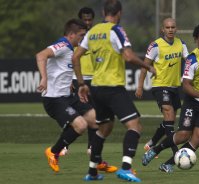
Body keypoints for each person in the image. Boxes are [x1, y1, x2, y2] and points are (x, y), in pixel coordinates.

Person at [72, 0, 156, 182]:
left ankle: (92, 172)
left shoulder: (92, 32)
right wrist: (147, 66)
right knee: (135, 126)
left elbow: (76, 56)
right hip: (113, 87)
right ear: (119, 13)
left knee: (104, 129)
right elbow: (128, 56)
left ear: (103, 12)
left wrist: (81, 84)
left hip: (96, 88)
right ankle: (126, 167)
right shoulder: (116, 30)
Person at [142, 23, 199, 171]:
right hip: (193, 102)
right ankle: (155, 149)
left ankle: (168, 164)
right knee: (184, 134)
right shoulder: (192, 59)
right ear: (196, 40)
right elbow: (186, 85)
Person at [36, 19, 104, 180]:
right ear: (71, 34)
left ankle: (96, 163)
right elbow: (41, 55)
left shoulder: (70, 49)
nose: (82, 39)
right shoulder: (63, 45)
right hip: (54, 99)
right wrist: (44, 78)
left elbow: (61, 69)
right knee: (80, 125)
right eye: (81, 35)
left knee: (95, 119)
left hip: (67, 96)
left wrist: (70, 84)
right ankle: (53, 152)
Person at [61, 7, 118, 174]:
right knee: (77, 115)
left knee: (95, 115)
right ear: (79, 20)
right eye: (84, 20)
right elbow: (67, 57)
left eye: (89, 19)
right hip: (77, 79)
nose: (87, 22)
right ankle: (63, 145)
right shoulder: (74, 38)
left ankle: (91, 147)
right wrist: (69, 78)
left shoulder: (95, 35)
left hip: (94, 79)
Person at [135, 18, 189, 173]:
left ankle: (152, 144)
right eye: (168, 27)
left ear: (176, 29)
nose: (170, 29)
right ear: (162, 30)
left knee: (169, 121)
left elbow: (190, 60)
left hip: (175, 87)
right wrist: (139, 86)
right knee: (169, 114)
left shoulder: (181, 44)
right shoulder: (155, 45)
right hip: (160, 86)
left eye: (173, 27)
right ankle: (174, 155)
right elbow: (145, 66)